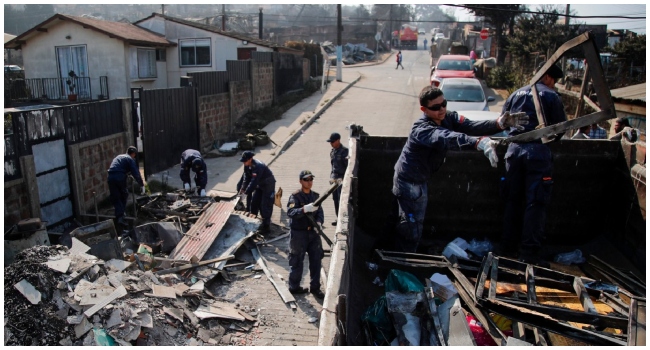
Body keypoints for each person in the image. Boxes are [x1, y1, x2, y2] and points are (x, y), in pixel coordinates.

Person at [392, 85, 528, 253]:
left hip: (419, 179)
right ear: (424, 109)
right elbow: (445, 137)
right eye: (435, 107)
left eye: (444, 104)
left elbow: (471, 126)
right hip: (409, 182)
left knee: (411, 221)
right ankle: (404, 260)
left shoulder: (448, 117)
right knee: (411, 225)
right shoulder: (422, 129)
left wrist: (499, 124)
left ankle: (406, 251)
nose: (442, 109)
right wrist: (477, 143)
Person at [501, 61, 567, 266]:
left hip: (513, 152)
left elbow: (503, 122)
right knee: (536, 203)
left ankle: (507, 247)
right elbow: (561, 128)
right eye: (554, 80)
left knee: (512, 200)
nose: (554, 84)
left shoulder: (514, 95)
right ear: (546, 76)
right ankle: (528, 253)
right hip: (537, 153)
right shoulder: (551, 96)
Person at [286, 170, 325, 299]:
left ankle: (315, 288)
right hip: (299, 233)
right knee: (296, 260)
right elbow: (290, 212)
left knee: (316, 260)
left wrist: (319, 222)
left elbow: (320, 212)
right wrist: (303, 209)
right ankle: (294, 287)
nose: (309, 182)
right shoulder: (295, 197)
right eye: (306, 180)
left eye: (310, 179)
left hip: (313, 233)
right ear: (301, 181)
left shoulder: (316, 196)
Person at [239, 151, 276, 234]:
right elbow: (246, 178)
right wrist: (242, 189)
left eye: (245, 161)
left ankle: (266, 226)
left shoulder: (258, 166)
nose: (244, 162)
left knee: (265, 205)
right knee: (254, 203)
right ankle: (253, 222)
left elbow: (253, 182)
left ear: (250, 159)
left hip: (267, 184)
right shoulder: (247, 165)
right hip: (260, 184)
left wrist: (246, 193)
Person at [107, 146, 145, 227]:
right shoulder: (129, 159)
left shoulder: (119, 157)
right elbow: (136, 173)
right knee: (124, 194)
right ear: (134, 154)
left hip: (110, 177)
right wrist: (142, 185)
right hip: (119, 177)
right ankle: (122, 215)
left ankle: (119, 217)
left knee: (116, 197)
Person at [327, 132, 349, 226]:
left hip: (341, 179)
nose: (331, 143)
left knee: (341, 200)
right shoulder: (333, 151)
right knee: (335, 199)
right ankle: (338, 218)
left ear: (338, 141)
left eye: (332, 141)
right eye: (330, 142)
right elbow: (333, 166)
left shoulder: (344, 152)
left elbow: (347, 168)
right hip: (334, 179)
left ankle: (343, 219)